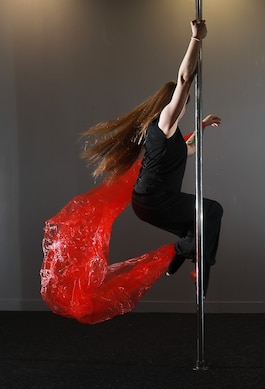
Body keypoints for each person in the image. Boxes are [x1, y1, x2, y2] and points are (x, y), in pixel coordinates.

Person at [80, 20, 223, 295]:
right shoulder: (164, 121)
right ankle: (198, 265)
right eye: (183, 101)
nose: (184, 105)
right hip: (155, 199)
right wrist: (196, 39)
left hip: (149, 201)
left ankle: (179, 256)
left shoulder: (170, 133)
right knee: (212, 211)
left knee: (199, 225)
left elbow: (189, 148)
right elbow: (184, 78)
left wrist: (202, 125)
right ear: (172, 102)